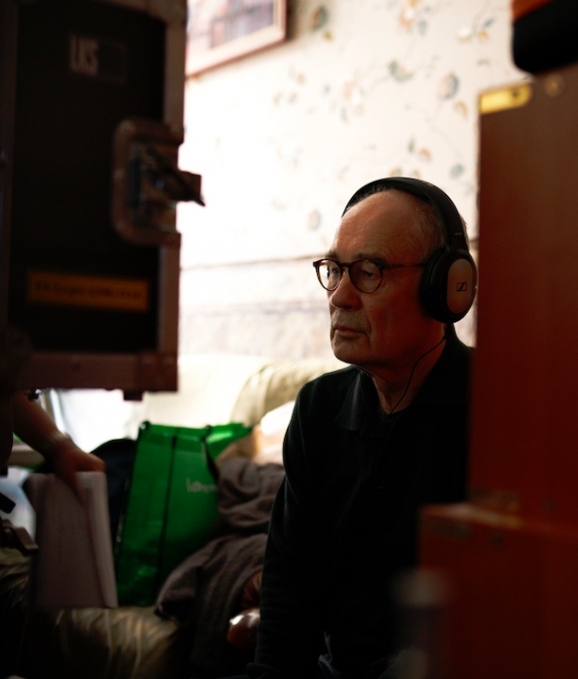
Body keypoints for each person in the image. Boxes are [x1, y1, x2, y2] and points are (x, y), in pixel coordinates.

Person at [245, 176, 478, 679]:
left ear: (446, 288)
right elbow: (289, 594)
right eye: (334, 271)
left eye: (369, 272)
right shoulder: (318, 408)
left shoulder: (497, 411)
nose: (340, 297)